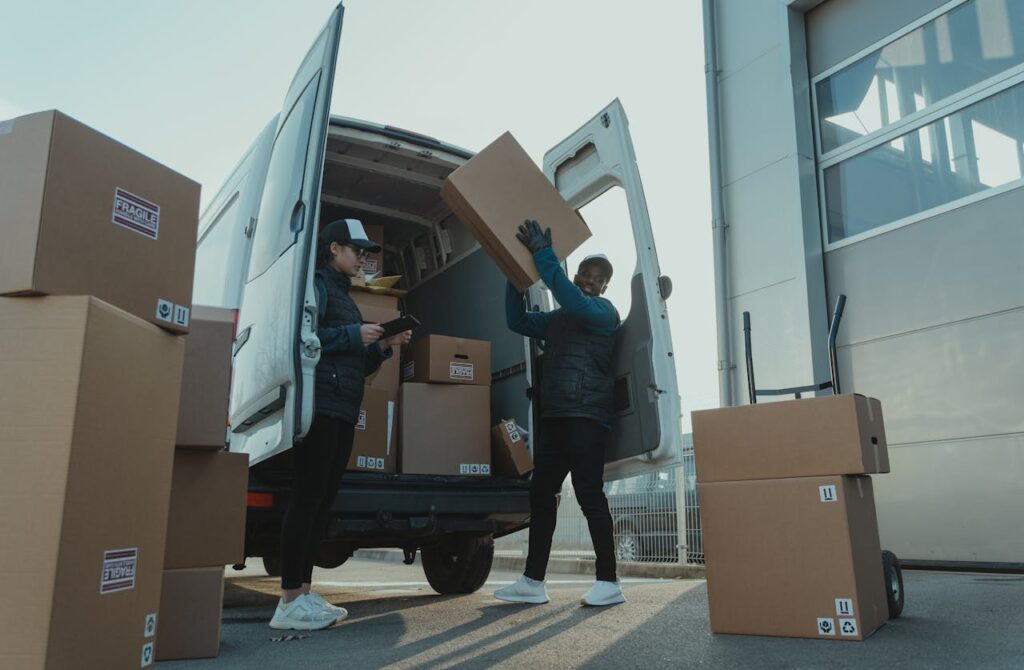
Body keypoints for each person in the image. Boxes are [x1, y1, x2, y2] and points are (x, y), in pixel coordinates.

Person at [270, 218, 411, 630]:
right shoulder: (317, 286)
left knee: (322, 501)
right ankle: (288, 601)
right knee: (307, 499)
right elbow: (301, 337)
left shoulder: (346, 297)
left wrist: (382, 344)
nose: (363, 258)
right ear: (333, 249)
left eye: (366, 252)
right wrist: (355, 333)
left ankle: (305, 594)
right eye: (356, 250)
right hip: (321, 407)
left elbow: (354, 359)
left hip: (344, 407)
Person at [494, 219, 624, 607]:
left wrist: (543, 255)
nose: (589, 279)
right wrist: (515, 276)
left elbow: (569, 297)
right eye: (585, 271)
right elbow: (515, 321)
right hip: (555, 419)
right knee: (541, 495)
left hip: (587, 419)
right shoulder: (557, 320)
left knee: (589, 497)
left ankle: (609, 582)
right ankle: (533, 582)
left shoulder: (603, 312)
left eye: (597, 277)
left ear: (604, 287)